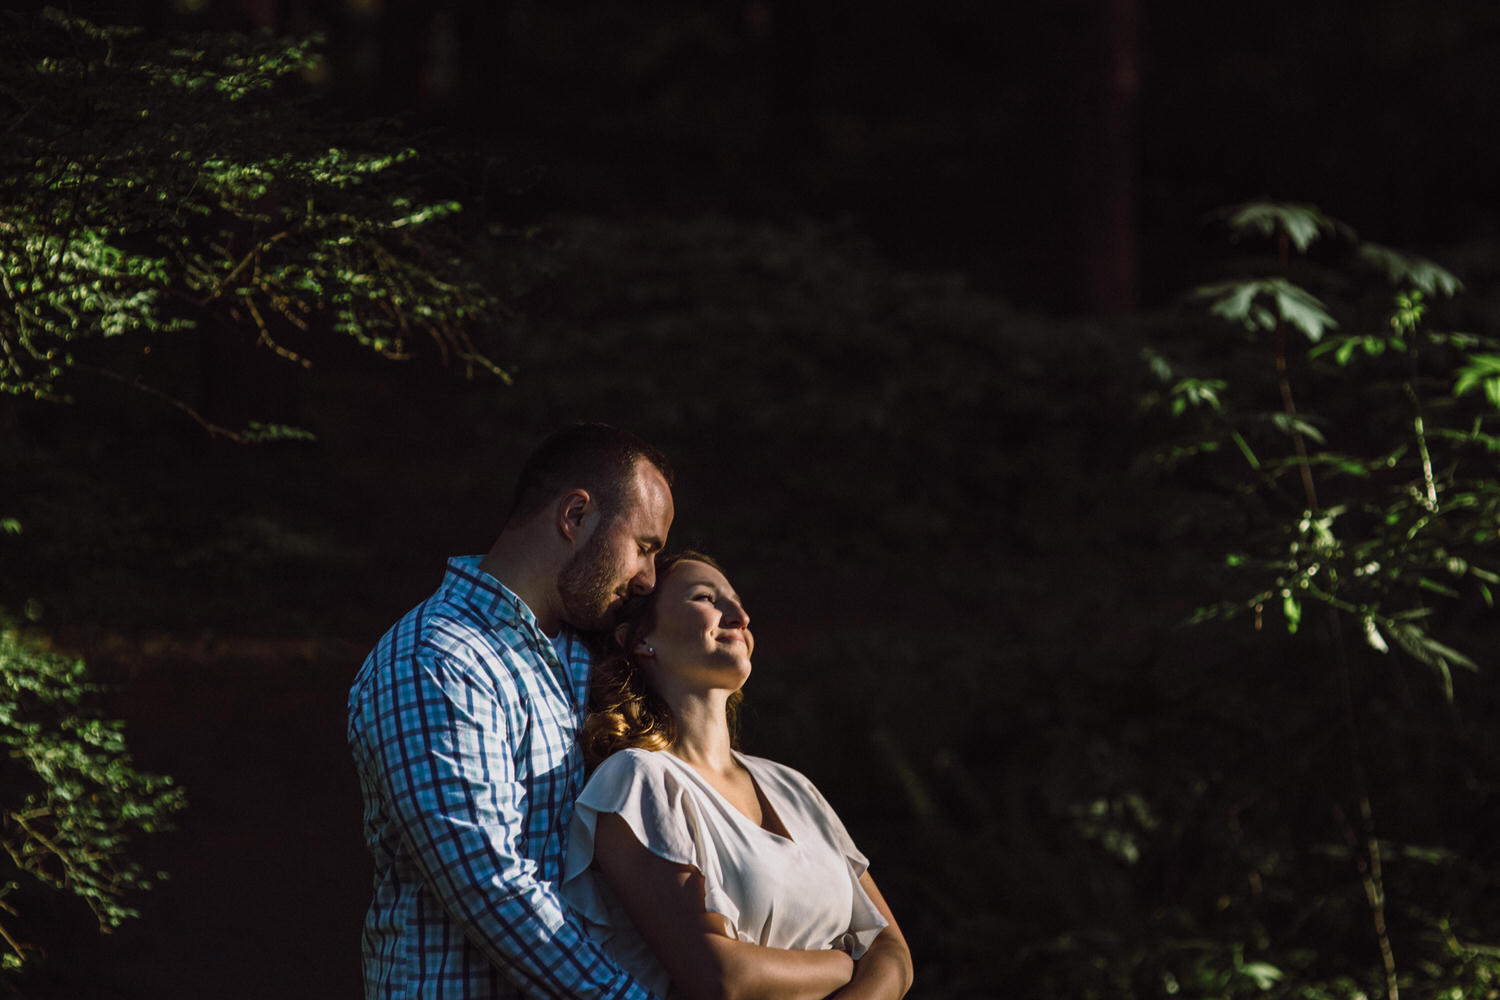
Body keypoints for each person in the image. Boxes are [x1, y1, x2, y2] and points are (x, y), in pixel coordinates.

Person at [347, 423, 675, 999]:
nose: (648, 578)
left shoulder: (586, 657)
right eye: (643, 547)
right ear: (575, 517)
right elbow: (489, 884)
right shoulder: (437, 657)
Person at [561, 552, 914, 1000]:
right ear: (639, 640)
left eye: (739, 602)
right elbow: (722, 978)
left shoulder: (794, 787)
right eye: (706, 598)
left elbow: (891, 950)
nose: (741, 616)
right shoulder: (637, 781)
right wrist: (845, 961)